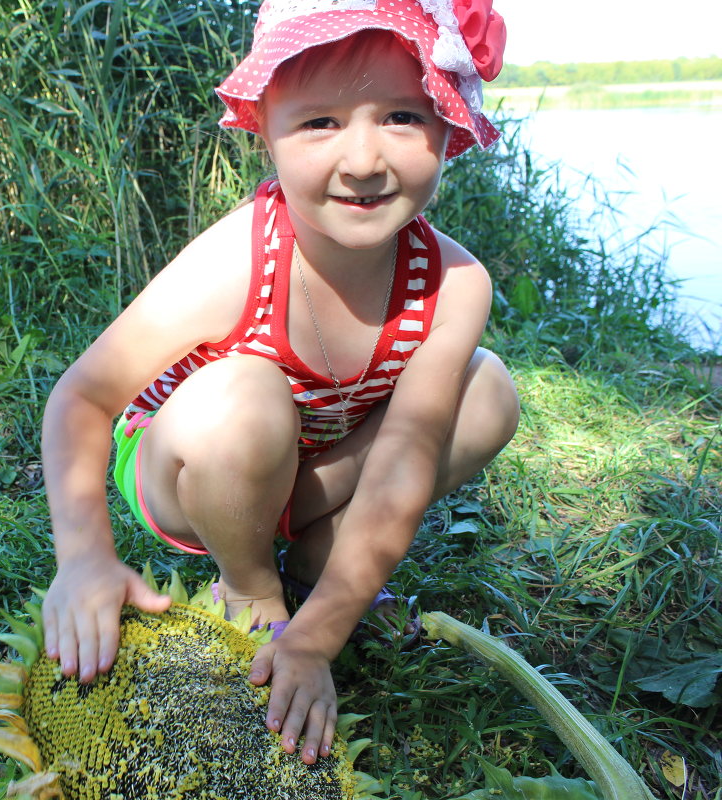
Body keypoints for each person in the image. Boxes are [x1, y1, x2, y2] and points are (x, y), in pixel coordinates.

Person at [40, 0, 519, 768]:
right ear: (264, 128)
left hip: (315, 465)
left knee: (487, 390)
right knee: (246, 397)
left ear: (449, 126)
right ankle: (254, 585)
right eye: (320, 124)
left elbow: (404, 460)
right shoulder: (241, 257)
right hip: (199, 462)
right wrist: (85, 557)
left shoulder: (454, 284)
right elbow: (84, 397)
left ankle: (313, 570)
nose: (363, 161)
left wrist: (321, 632)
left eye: (401, 116)